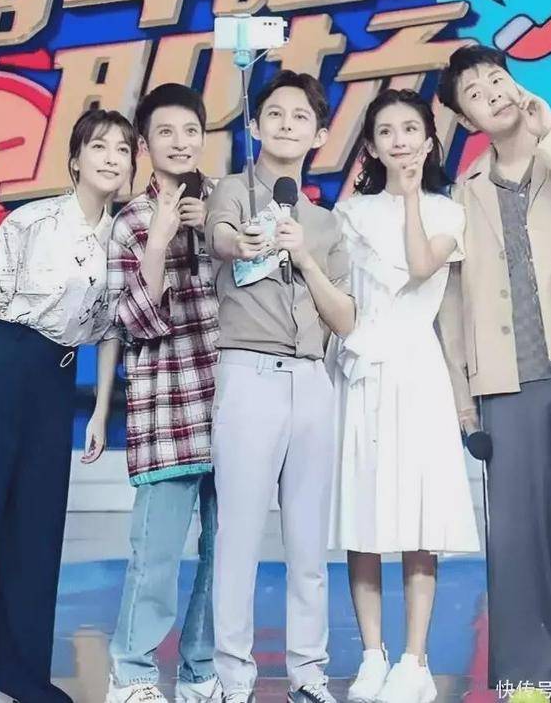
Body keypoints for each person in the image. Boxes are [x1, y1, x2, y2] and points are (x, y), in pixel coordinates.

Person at [436, 44, 551, 700]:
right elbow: (453, 300)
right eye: (475, 92)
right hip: (505, 379)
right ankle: (532, 673)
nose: (492, 92)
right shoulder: (466, 190)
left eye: (496, 79)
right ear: (466, 118)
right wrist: (463, 395)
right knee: (518, 533)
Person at [0, 108, 136, 703]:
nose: (112, 157)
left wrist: (102, 410)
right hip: (3, 368)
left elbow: (110, 332)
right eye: (100, 146)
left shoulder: (123, 240)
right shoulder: (33, 220)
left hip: (56, 382)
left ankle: (19, 673)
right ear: (76, 159)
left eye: (122, 149)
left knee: (36, 531)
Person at [205, 70, 355, 703]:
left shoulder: (324, 223)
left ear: (319, 135)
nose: (287, 124)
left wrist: (306, 257)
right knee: (238, 535)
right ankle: (232, 676)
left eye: (301, 117)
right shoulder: (233, 191)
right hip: (249, 374)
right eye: (276, 114)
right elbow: (220, 238)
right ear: (255, 125)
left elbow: (345, 318)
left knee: (307, 540)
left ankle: (308, 673)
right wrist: (245, 241)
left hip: (313, 380)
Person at [327, 88, 479, 703]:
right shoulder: (349, 215)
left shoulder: (447, 212)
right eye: (386, 131)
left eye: (410, 129)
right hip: (361, 370)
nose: (399, 140)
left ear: (428, 141)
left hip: (417, 371)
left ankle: (415, 661)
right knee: (362, 519)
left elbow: (419, 267)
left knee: (419, 518)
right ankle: (372, 655)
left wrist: (413, 196)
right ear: (370, 145)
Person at [84, 84, 222, 703]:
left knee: (225, 553)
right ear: (145, 145)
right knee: (156, 554)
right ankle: (133, 673)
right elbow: (134, 322)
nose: (180, 143)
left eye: (190, 131)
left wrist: (215, 232)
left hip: (232, 402)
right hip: (168, 405)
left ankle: (201, 672)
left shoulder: (226, 205)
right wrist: (161, 241)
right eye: (166, 132)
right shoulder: (131, 222)